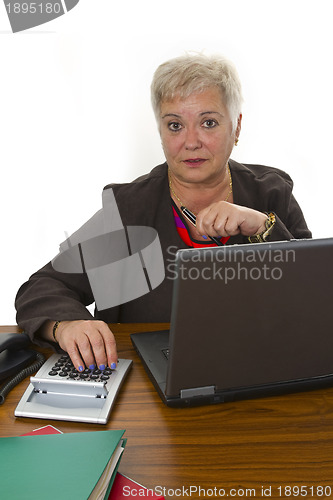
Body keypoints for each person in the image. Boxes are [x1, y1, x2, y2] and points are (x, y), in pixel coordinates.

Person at [15, 53, 311, 373]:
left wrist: (262, 228)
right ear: (160, 131)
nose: (191, 142)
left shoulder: (271, 194)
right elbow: (42, 287)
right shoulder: (129, 210)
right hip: (150, 388)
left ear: (236, 127)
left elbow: (312, 299)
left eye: (208, 122)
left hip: (260, 374)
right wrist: (66, 326)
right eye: (175, 125)